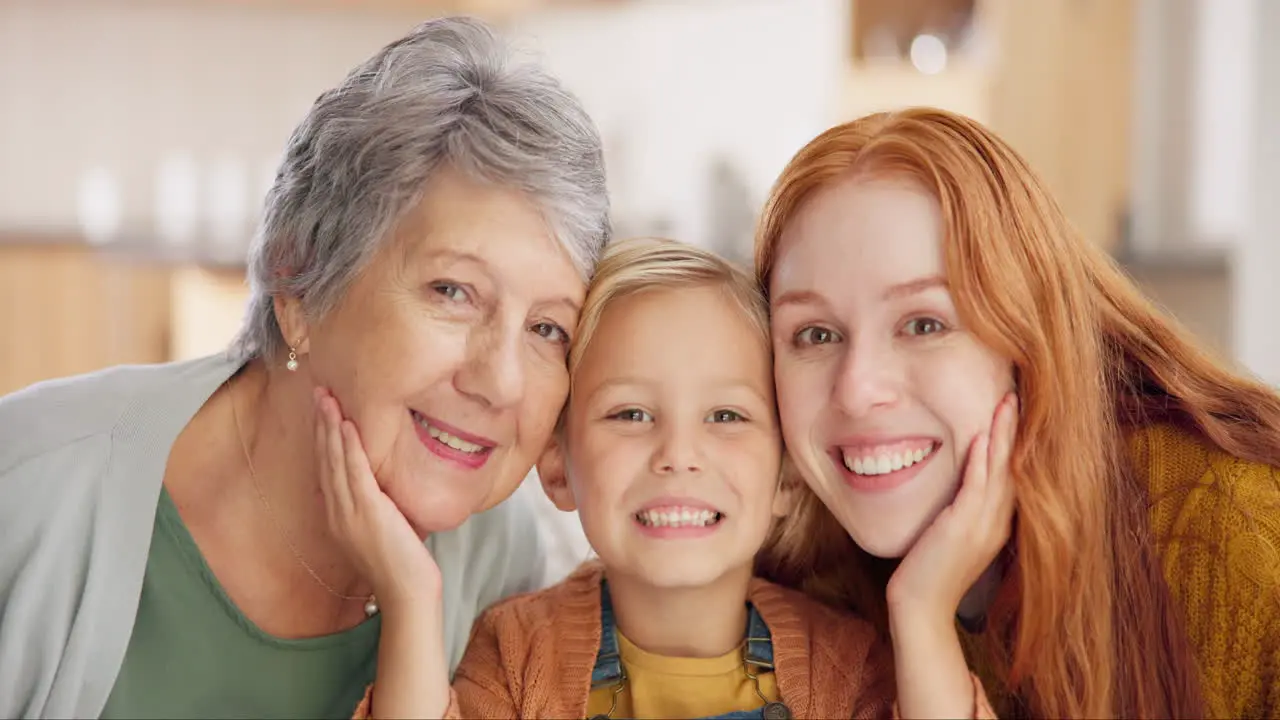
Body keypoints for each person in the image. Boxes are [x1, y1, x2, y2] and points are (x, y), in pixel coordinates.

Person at [0, 16, 610, 719]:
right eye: (453, 292)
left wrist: (414, 600)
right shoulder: (30, 492)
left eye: (546, 329)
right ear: (299, 285)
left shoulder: (505, 563)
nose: (501, 382)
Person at [332, 237, 1008, 719]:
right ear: (557, 466)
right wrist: (410, 596)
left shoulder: (846, 665)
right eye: (630, 414)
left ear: (787, 478)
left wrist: (920, 613)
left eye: (725, 415)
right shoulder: (517, 655)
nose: (678, 455)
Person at [753, 106, 1280, 719]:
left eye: (924, 323)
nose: (857, 389)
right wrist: (921, 619)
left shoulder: (1236, 532)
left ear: (1029, 341)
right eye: (814, 335)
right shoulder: (797, 594)